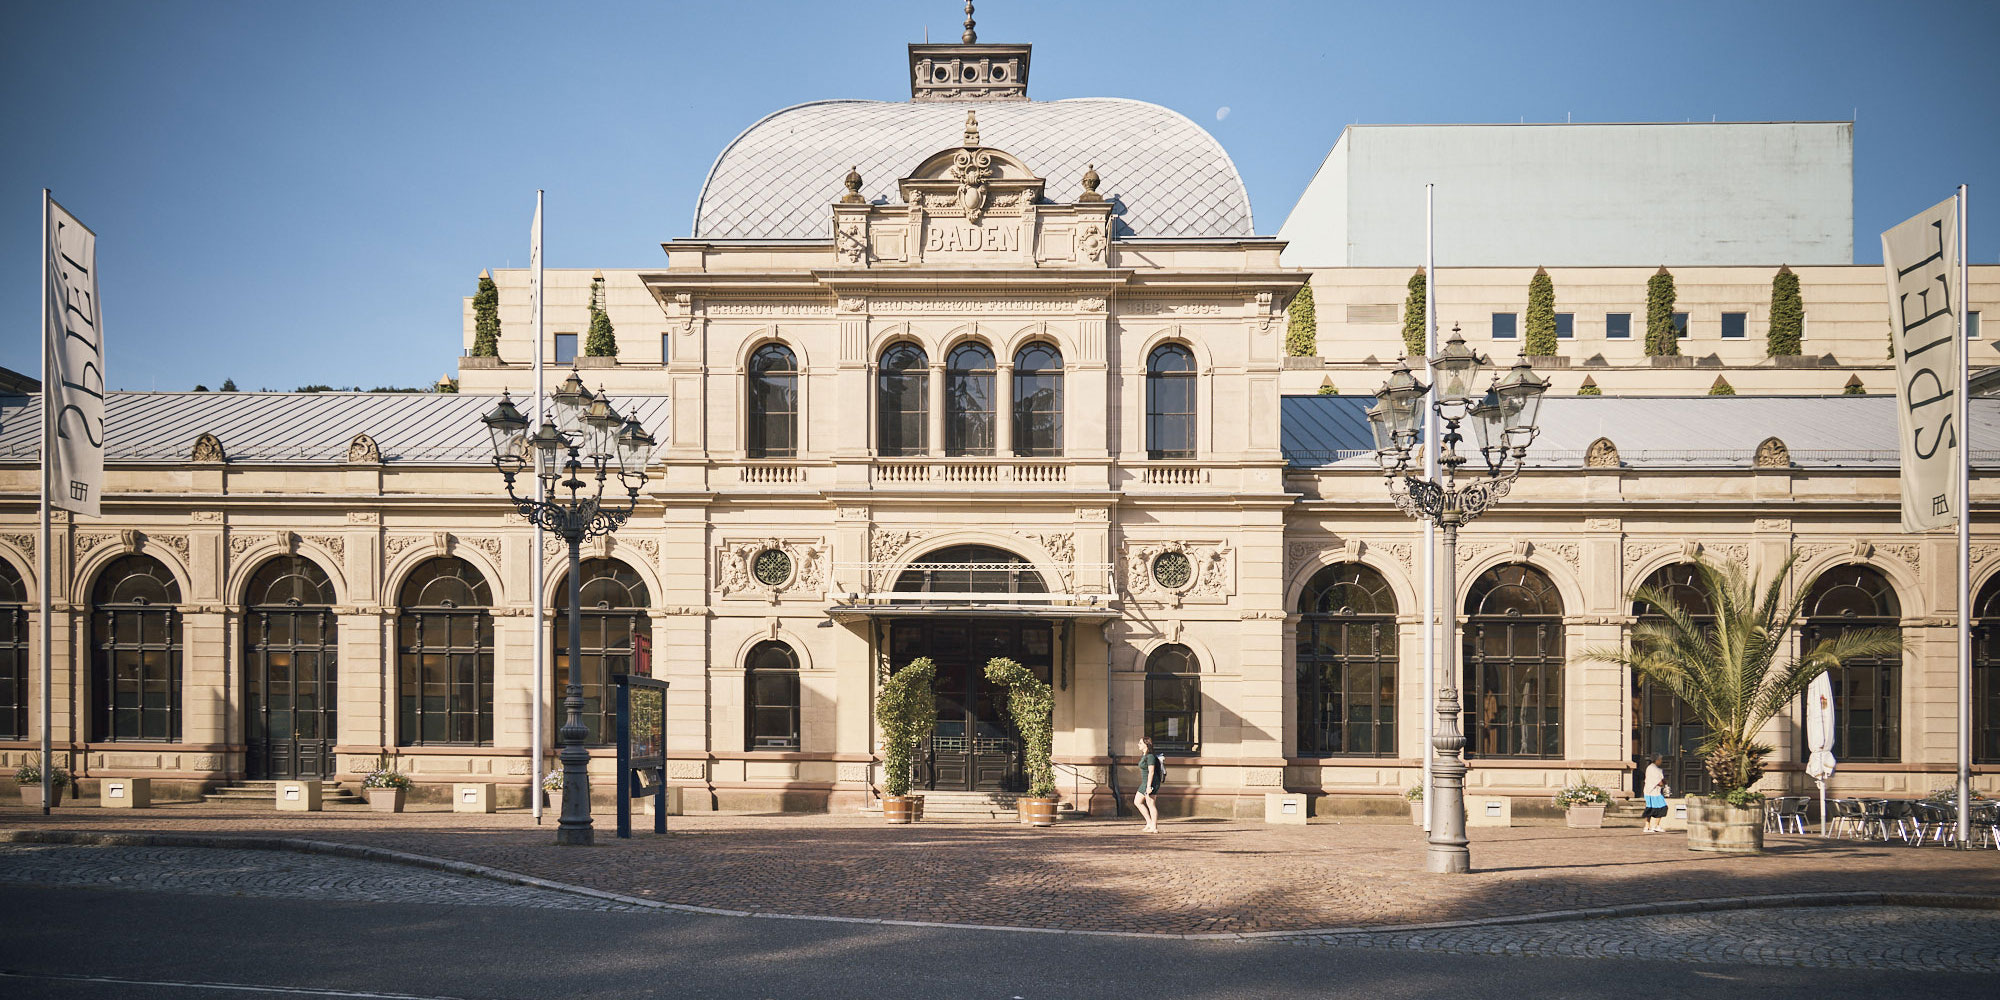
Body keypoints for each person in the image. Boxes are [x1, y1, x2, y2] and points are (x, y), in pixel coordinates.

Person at [1134, 735, 1164, 833]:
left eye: (1140, 743)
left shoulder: (1150, 756)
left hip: (1151, 783)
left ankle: (1154, 827)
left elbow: (1151, 772)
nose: (1138, 745)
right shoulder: (1144, 755)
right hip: (1144, 783)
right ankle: (1149, 822)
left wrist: (1148, 786)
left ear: (1146, 745)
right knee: (1137, 802)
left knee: (1150, 804)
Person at [1641, 754, 1670, 833]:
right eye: (1660, 759)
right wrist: (1664, 784)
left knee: (1650, 808)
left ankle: (1647, 826)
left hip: (1649, 791)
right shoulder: (1653, 769)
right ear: (1656, 760)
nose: (1661, 761)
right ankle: (1656, 825)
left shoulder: (1651, 768)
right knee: (1662, 807)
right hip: (1653, 792)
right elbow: (1659, 782)